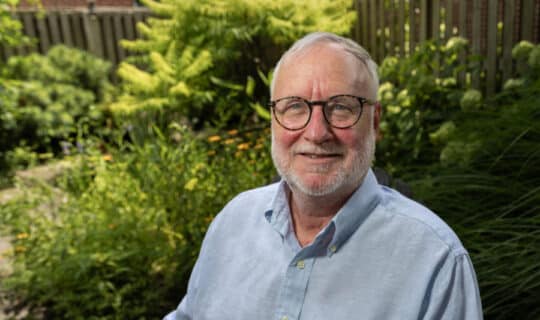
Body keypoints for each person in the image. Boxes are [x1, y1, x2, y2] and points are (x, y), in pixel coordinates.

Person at [164, 32, 483, 320]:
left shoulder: (436, 261)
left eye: (341, 107)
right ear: (273, 119)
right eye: (295, 107)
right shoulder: (232, 223)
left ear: (374, 123)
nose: (317, 132)